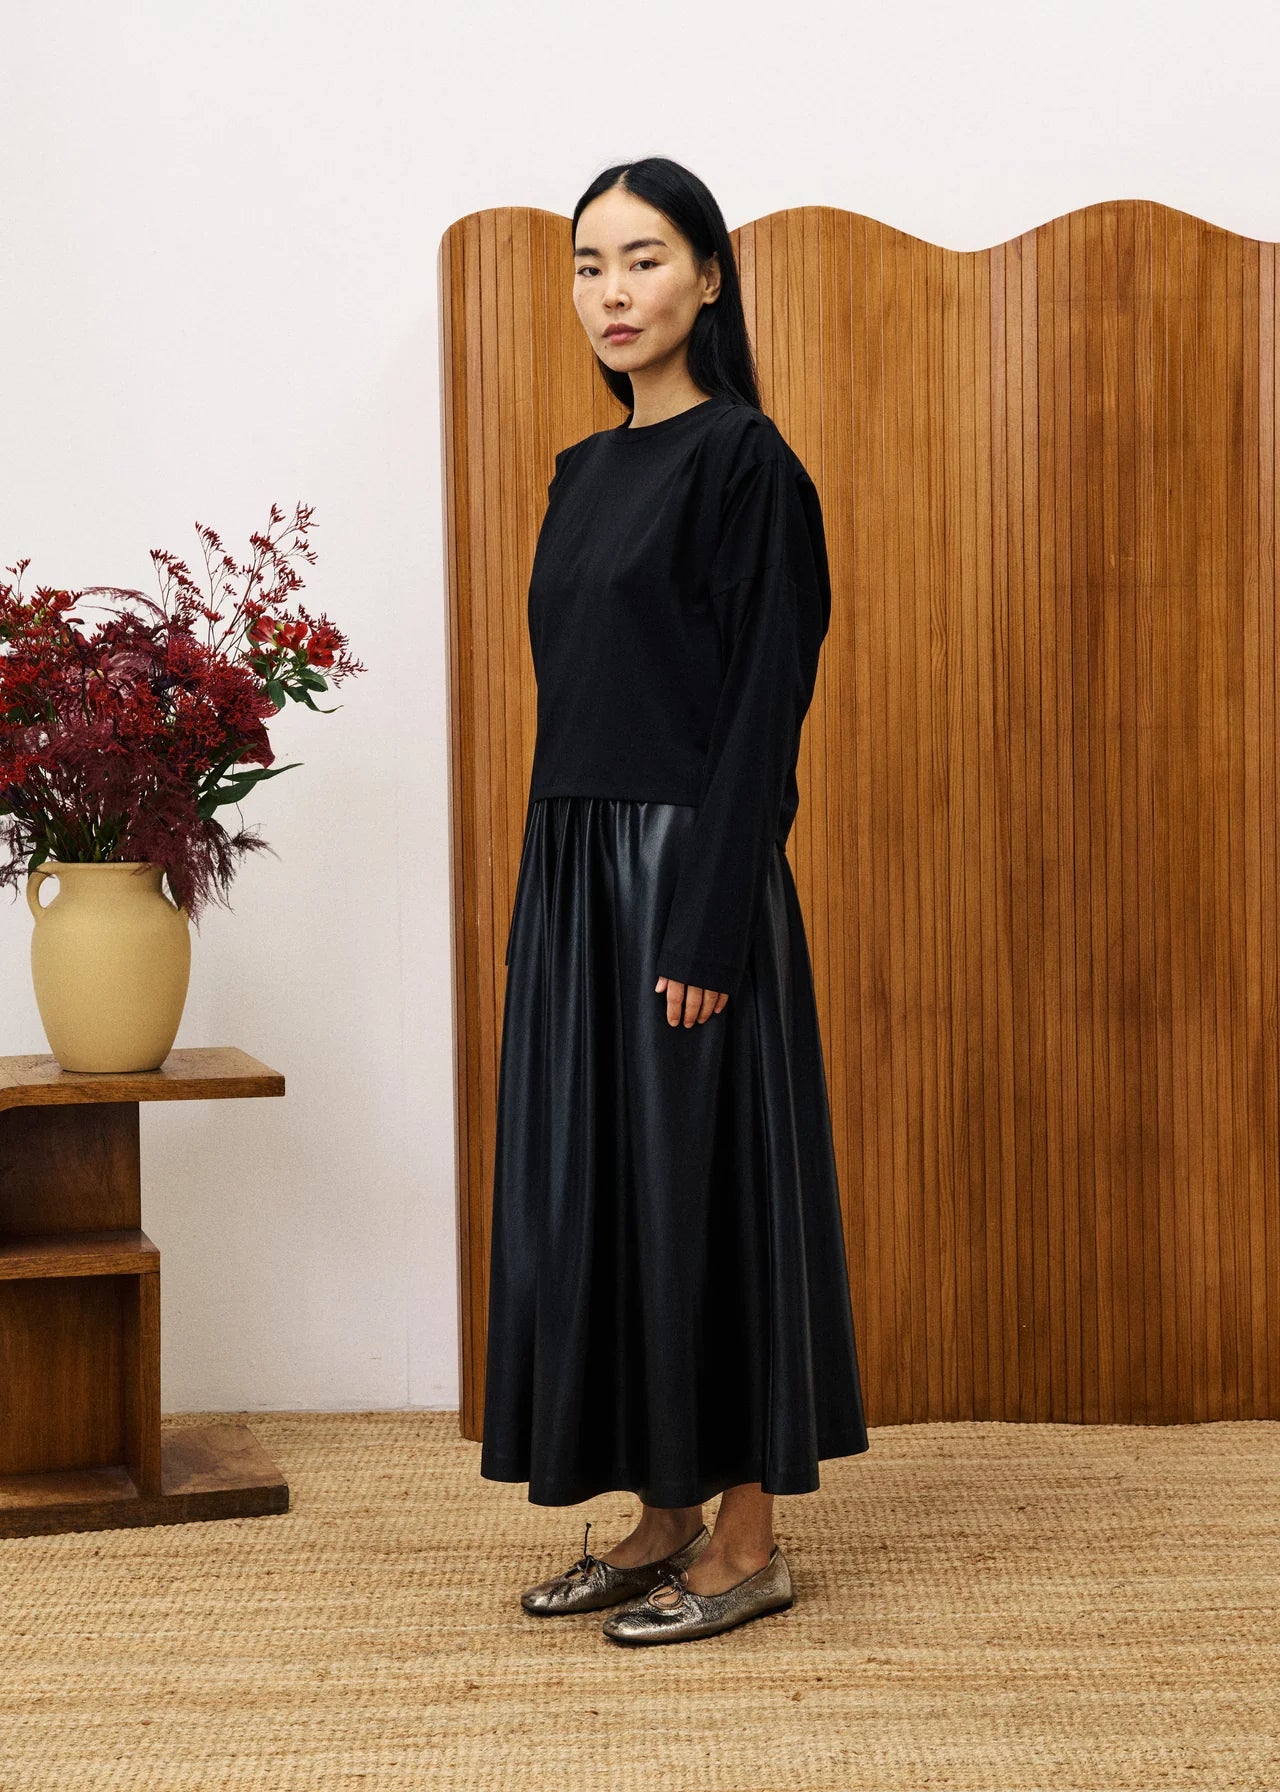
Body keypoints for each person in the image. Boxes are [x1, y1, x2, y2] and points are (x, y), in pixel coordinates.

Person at [479, 155, 870, 1646]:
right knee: (608, 1204)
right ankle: (660, 1514)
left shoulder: (750, 464)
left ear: (710, 275)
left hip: (688, 883)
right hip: (577, 884)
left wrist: (706, 919)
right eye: (589, 266)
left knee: (712, 1200)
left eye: (643, 260)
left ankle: (750, 1541)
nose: (613, 293)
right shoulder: (586, 473)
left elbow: (763, 711)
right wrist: (563, 905)